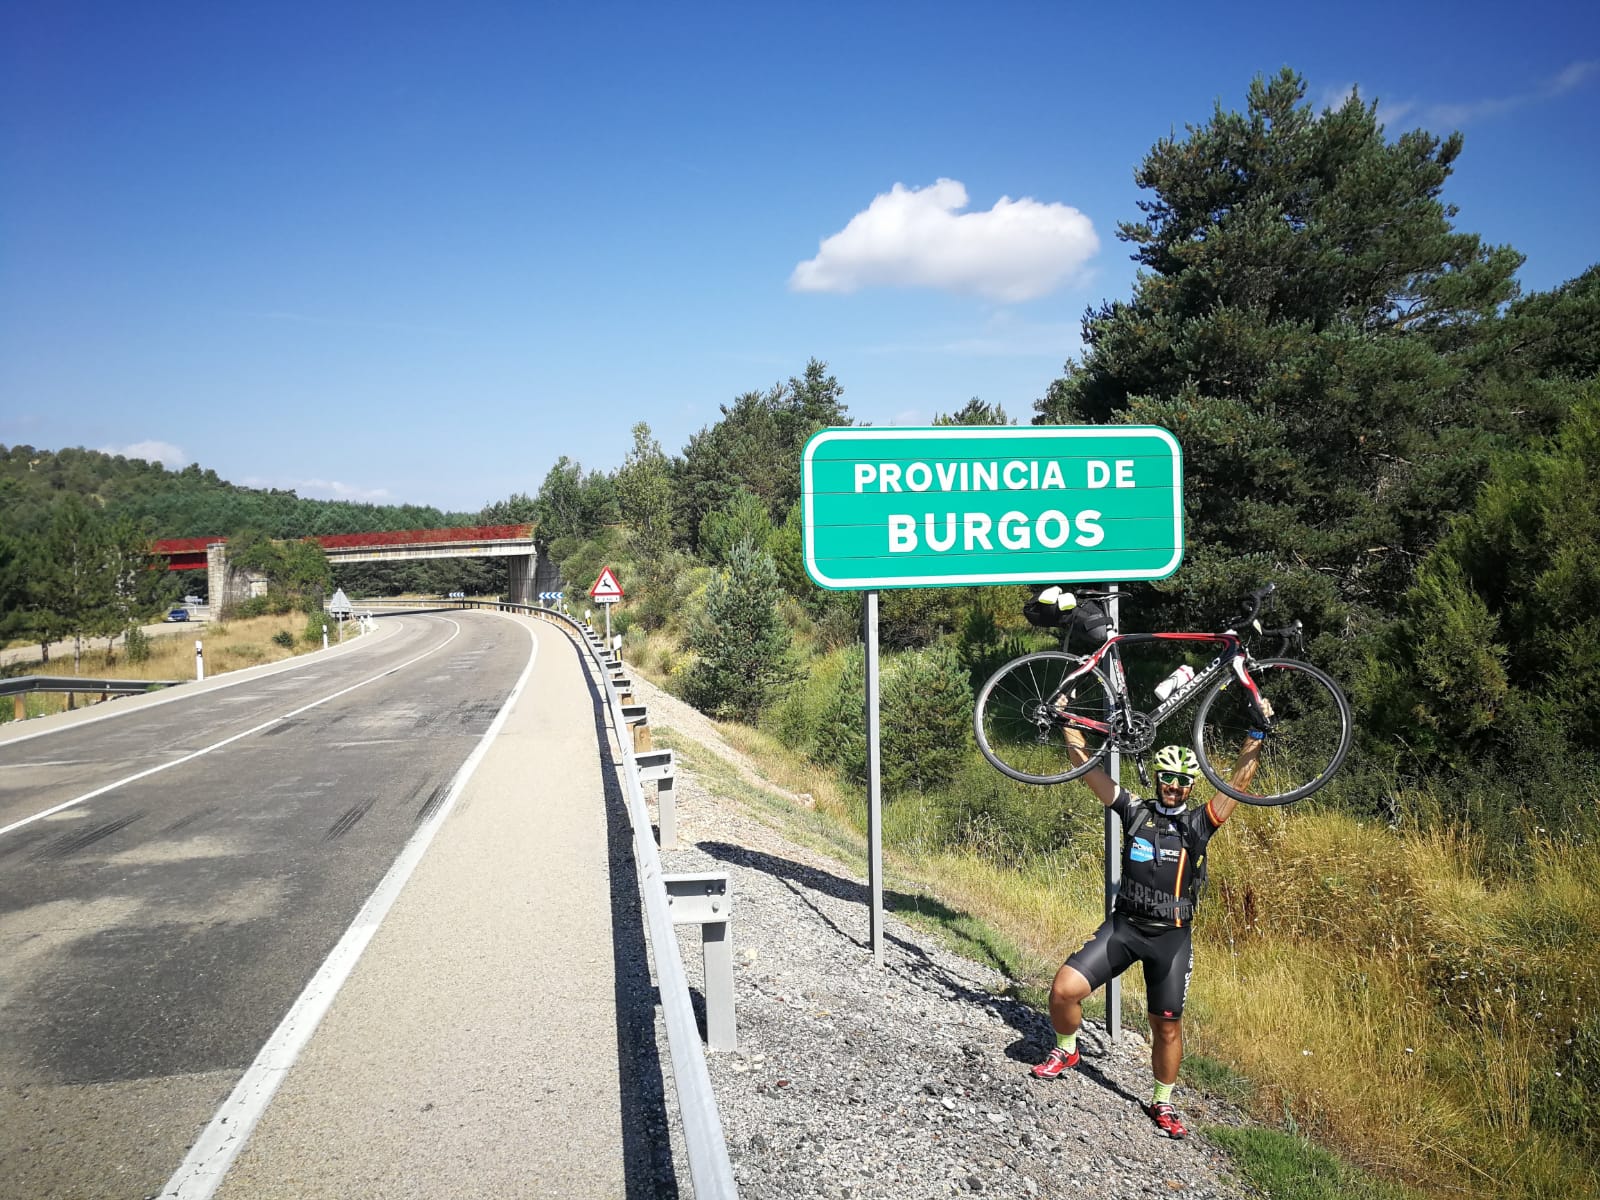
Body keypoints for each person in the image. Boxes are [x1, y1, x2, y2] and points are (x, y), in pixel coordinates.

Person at [1029, 728, 1268, 1139]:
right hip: (1124, 929)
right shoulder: (1135, 811)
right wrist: (1065, 716)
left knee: (1167, 1026)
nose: (1173, 787)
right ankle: (1067, 1051)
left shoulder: (1198, 824)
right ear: (1157, 778)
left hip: (1170, 941)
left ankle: (1163, 1101)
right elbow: (1086, 767)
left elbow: (1238, 783)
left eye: (1182, 781)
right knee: (1063, 991)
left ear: (1191, 785)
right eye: (1167, 778)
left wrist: (1257, 732)